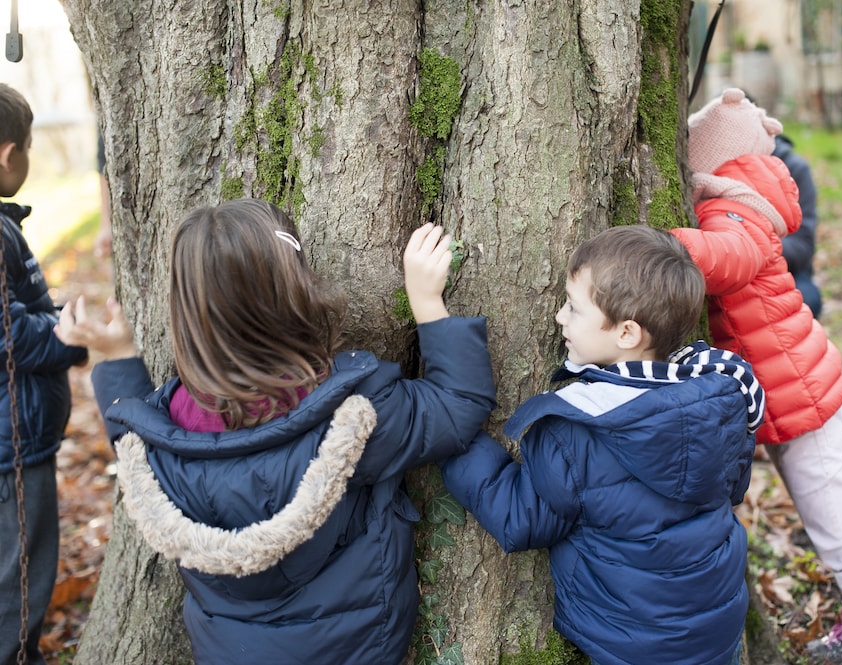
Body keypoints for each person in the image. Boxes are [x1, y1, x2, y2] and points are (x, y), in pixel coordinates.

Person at [53, 200, 496, 664]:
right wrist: (426, 302)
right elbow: (457, 407)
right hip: (356, 648)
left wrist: (119, 356)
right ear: (295, 294)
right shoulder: (352, 417)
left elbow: (129, 437)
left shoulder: (162, 439)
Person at [439, 225, 763, 665]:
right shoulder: (719, 402)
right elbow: (732, 487)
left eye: (573, 308)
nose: (559, 317)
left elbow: (520, 517)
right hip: (713, 626)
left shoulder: (581, 429)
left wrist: (450, 436)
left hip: (634, 641)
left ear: (627, 333)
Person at [672, 88, 842, 665]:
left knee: (841, 535)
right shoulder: (744, 193)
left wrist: (663, 243)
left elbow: (731, 258)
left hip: (800, 398)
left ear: (713, 158)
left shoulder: (735, 206)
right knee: (839, 531)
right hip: (790, 391)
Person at [0, 82, 89, 665]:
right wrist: (71, 336)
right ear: (9, 154)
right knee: (21, 568)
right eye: (30, 147)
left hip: (13, 436)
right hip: (12, 444)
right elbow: (6, 334)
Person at [774, 132, 823, 318]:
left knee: (806, 301)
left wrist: (762, 248)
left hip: (789, 271)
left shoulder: (794, 168)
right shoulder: (715, 164)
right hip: (734, 278)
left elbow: (803, 244)